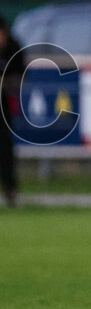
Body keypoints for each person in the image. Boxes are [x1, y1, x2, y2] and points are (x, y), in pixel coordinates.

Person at [0, 15, 25, 207]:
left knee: (4, 146)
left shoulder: (14, 49)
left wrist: (4, 84)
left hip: (3, 106)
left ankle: (10, 189)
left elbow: (21, 78)